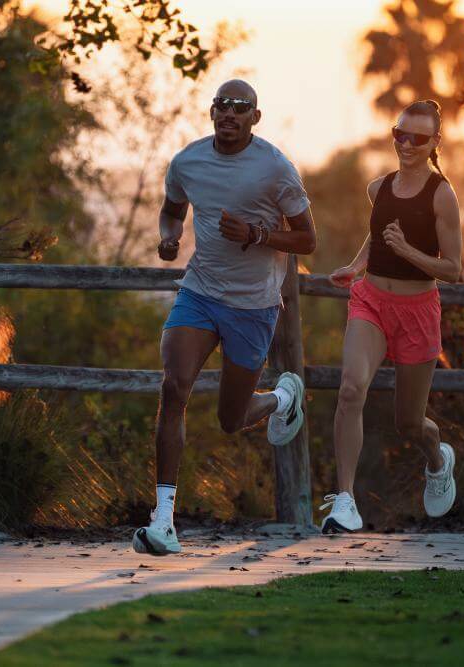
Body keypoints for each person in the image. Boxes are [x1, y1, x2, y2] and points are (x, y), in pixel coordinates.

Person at [133, 79, 317, 556]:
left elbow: (307, 241)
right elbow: (171, 211)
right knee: (173, 388)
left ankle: (281, 398)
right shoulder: (188, 162)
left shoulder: (275, 169)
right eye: (222, 106)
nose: (229, 114)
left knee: (231, 420)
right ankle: (164, 521)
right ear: (212, 112)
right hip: (200, 292)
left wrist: (257, 233)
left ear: (256, 117)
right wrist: (169, 238)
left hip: (253, 305)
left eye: (241, 108)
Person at [320, 99, 463, 534]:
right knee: (350, 390)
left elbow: (454, 269)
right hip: (371, 303)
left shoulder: (442, 195)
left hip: (418, 312)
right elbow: (377, 230)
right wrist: (358, 264)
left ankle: (437, 456)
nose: (407, 144)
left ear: (435, 142)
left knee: (408, 423)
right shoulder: (378, 188)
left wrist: (406, 252)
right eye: (400, 134)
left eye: (418, 138)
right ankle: (345, 501)